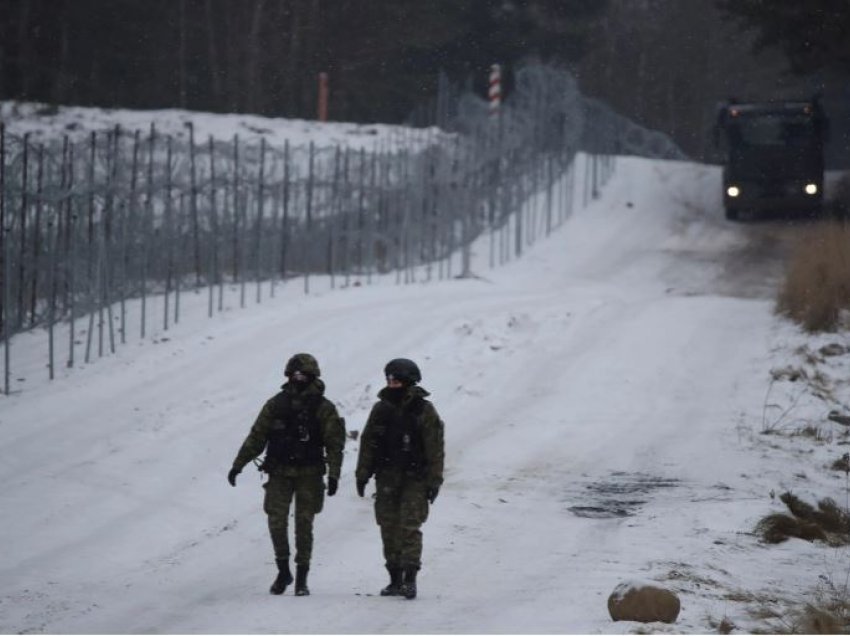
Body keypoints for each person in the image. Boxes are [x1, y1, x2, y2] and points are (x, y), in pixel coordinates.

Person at [228, 353, 345, 596]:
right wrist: (238, 465)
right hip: (279, 472)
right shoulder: (276, 404)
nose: (298, 378)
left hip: (310, 474)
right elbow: (257, 436)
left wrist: (334, 474)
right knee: (276, 521)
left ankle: (302, 577)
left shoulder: (324, 407)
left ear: (312, 377)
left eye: (303, 375)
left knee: (304, 524)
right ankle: (283, 570)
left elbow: (335, 443)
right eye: (294, 374)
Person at [355, 358, 445, 600]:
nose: (391, 383)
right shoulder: (381, 409)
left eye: (396, 379)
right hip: (386, 477)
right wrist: (362, 474)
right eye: (389, 379)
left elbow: (435, 448)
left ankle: (410, 578)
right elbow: (368, 443)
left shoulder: (424, 410)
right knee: (388, 527)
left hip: (414, 479)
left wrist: (434, 480)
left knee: (409, 527)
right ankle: (394, 577)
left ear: (408, 380)